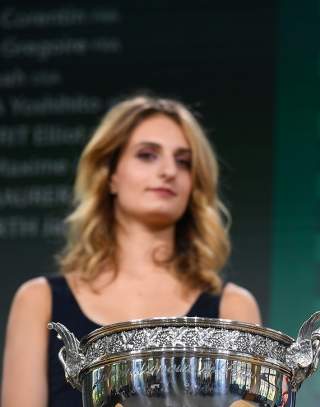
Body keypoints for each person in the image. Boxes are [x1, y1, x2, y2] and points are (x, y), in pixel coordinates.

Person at [2, 95, 261, 407]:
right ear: (110, 175)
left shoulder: (233, 308)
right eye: (147, 155)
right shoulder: (39, 301)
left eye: (184, 162)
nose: (169, 171)